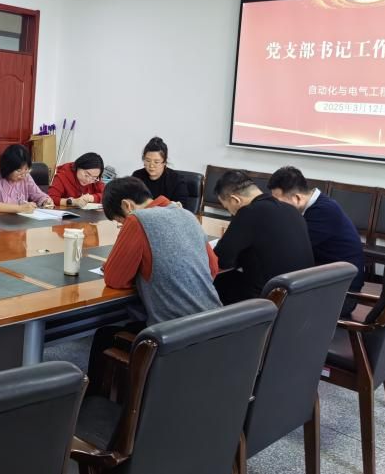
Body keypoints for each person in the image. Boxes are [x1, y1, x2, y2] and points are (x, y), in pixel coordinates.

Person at [87, 177, 221, 384]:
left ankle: (97, 400)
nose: (122, 226)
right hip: (216, 324)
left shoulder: (137, 219)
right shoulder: (186, 214)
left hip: (173, 333)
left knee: (104, 335)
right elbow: (213, 269)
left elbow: (114, 279)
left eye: (119, 222)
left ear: (127, 206)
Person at [268, 166, 365, 314]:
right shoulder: (315, 206)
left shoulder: (323, 212)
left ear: (297, 198)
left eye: (279, 202)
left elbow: (289, 250)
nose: (276, 207)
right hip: (324, 284)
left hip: (341, 297)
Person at [212, 170, 314, 304]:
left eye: (227, 207)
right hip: (299, 294)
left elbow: (221, 260)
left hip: (269, 299)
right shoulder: (291, 210)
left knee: (215, 281)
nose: (231, 213)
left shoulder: (248, 213)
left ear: (235, 200)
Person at [0, 144, 54, 212]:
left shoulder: (26, 177)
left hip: (20, 221)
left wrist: (46, 201)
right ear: (8, 168)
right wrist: (19, 208)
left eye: (26, 169)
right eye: (18, 170)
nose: (23, 175)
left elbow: (38, 195)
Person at [131, 137, 191, 210]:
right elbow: (129, 201)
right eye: (148, 161)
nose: (151, 165)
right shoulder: (137, 176)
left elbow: (181, 209)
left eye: (156, 162)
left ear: (164, 162)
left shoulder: (177, 180)